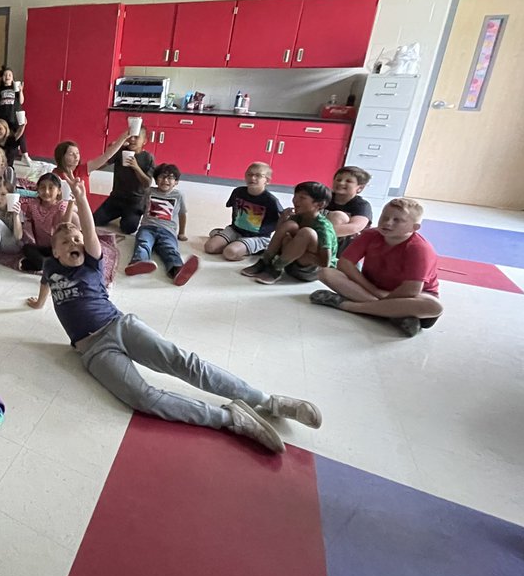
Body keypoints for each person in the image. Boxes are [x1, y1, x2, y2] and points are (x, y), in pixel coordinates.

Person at [24, 180, 321, 453]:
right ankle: (230, 418)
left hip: (120, 325)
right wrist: (38, 304)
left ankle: (269, 401)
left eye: (76, 239)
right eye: (66, 242)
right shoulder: (51, 268)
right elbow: (45, 285)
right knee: (142, 398)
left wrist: (81, 200)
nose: (74, 243)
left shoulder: (90, 262)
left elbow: (88, 232)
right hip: (92, 350)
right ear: (55, 252)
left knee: (184, 363)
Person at [312, 198, 443, 337]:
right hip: (371, 289)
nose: (388, 223)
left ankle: (349, 306)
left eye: (397, 220)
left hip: (410, 297)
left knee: (434, 307)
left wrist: (385, 297)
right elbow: (345, 263)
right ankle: (394, 314)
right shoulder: (371, 235)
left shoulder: (419, 249)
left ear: (414, 227)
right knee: (326, 273)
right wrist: (374, 290)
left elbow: (411, 290)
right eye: (385, 217)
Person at [242, 181, 336, 285]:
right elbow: (278, 239)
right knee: (290, 224)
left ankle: (277, 267)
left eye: (302, 198)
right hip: (291, 264)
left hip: (311, 271)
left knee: (307, 232)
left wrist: (301, 254)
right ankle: (265, 261)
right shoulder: (297, 217)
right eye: (295, 196)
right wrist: (282, 220)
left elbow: (325, 263)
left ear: (320, 204)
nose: (295, 200)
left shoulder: (323, 227)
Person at [123, 163, 199, 284]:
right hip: (147, 228)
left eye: (170, 178)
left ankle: (177, 270)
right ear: (156, 180)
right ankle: (138, 263)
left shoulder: (178, 195)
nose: (165, 180)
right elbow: (141, 208)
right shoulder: (149, 192)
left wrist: (182, 233)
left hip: (168, 230)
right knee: (143, 243)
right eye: (162, 177)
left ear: (176, 182)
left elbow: (182, 214)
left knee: (169, 248)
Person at [204, 162, 283, 261]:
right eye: (249, 174)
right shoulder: (238, 192)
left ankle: (258, 248)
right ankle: (233, 241)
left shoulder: (271, 201)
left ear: (267, 180)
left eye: (258, 175)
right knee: (209, 247)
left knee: (230, 253)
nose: (252, 178)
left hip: (258, 237)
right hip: (235, 230)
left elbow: (280, 221)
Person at [91, 131, 154, 235]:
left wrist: (136, 167)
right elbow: (102, 164)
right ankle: (119, 212)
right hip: (116, 197)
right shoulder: (120, 152)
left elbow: (147, 183)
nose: (132, 140)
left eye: (136, 137)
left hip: (136, 201)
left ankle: (131, 215)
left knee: (128, 228)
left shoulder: (148, 158)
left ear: (144, 141)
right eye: (130, 137)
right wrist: (111, 151)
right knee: (95, 220)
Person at [19, 172, 71, 273]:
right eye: (42, 187)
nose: (46, 191)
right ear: (37, 189)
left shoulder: (61, 206)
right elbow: (27, 222)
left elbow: (65, 226)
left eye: (51, 188)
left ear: (59, 191)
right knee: (26, 248)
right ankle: (47, 265)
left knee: (27, 263)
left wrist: (71, 203)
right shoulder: (33, 205)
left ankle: (43, 265)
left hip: (56, 247)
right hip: (40, 247)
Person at [326, 166, 373, 253]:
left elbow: (355, 227)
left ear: (360, 188)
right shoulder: (325, 198)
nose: (341, 183)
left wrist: (322, 233)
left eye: (348, 181)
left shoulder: (362, 205)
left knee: (338, 216)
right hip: (320, 239)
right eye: (338, 179)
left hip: (347, 247)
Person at [0, 67, 30, 163]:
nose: (7, 76)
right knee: (3, 134)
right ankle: (1, 153)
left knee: (20, 133)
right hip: (3, 116)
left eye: (9, 75)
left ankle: (25, 154)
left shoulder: (16, 89)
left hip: (15, 115)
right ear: (2, 78)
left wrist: (21, 91)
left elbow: (21, 101)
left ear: (13, 78)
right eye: (5, 75)